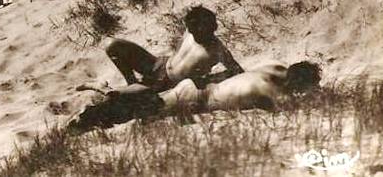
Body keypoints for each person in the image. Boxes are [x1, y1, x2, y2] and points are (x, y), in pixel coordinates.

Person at [67, 61, 321, 132]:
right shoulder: (269, 90)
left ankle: (105, 96)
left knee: (150, 103)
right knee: (145, 110)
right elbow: (290, 107)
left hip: (198, 87)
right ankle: (87, 117)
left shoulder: (275, 68)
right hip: (195, 99)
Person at [100, 6, 243, 93]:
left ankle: (129, 89)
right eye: (192, 31)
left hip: (167, 85)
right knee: (112, 45)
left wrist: (211, 78)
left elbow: (237, 71)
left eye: (198, 32)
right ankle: (130, 82)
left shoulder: (217, 50)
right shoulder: (190, 31)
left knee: (119, 96)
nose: (194, 35)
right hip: (159, 64)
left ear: (211, 28)